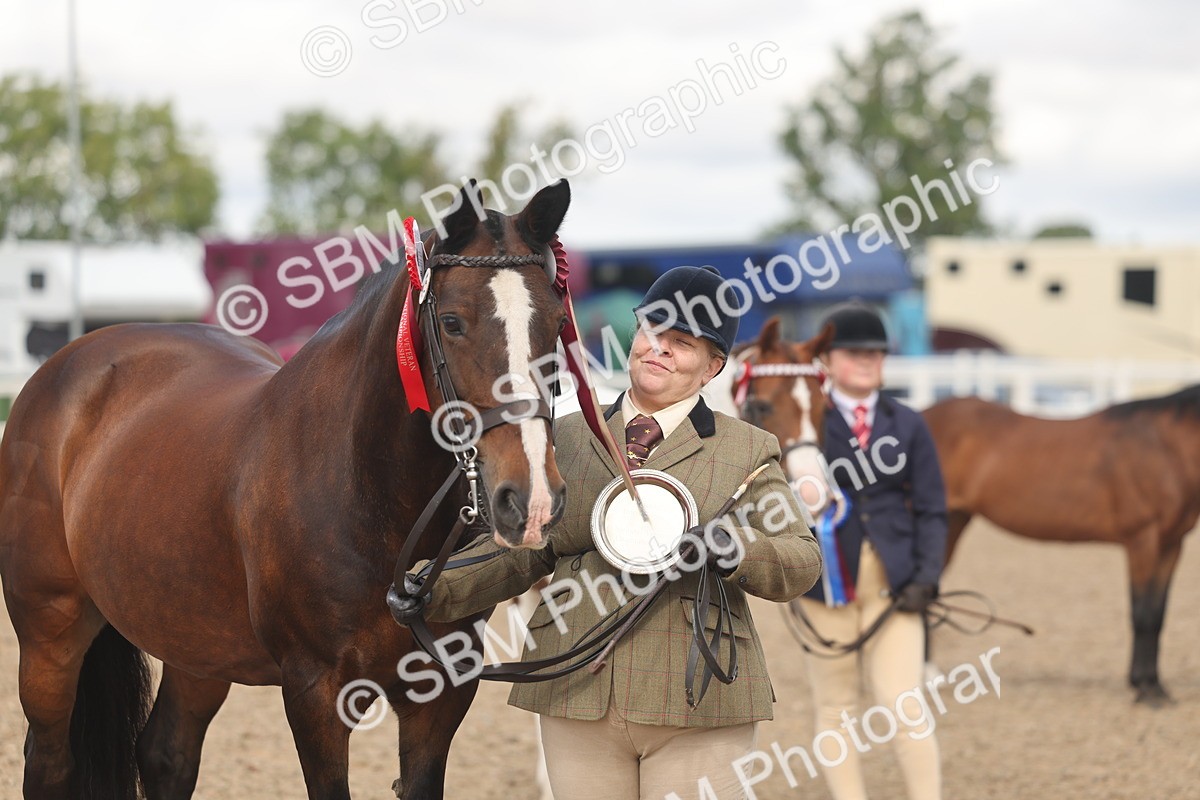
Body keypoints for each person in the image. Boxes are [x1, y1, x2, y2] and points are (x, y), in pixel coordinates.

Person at [394, 266, 821, 800]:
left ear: (713, 366)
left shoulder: (748, 450)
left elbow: (802, 559)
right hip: (577, 692)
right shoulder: (567, 437)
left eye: (681, 344)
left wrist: (735, 549)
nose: (658, 350)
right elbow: (524, 552)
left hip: (698, 697)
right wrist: (436, 587)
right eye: (652, 332)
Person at [798, 302, 948, 800]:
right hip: (824, 584)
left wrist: (928, 576)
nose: (867, 360)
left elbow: (931, 508)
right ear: (828, 360)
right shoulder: (808, 423)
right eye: (855, 351)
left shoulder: (908, 423)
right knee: (835, 705)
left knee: (904, 703)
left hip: (895, 583)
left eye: (876, 353)